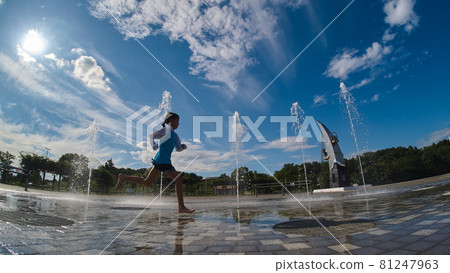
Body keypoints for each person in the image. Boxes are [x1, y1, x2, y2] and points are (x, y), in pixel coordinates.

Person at [115, 112, 195, 213]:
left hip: (161, 161)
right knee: (178, 180)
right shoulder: (166, 130)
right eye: (177, 121)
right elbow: (151, 136)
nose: (178, 124)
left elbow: (178, 148)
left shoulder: (175, 135)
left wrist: (183, 147)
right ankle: (181, 207)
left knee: (147, 182)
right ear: (171, 121)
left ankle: (124, 177)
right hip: (163, 161)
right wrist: (154, 145)